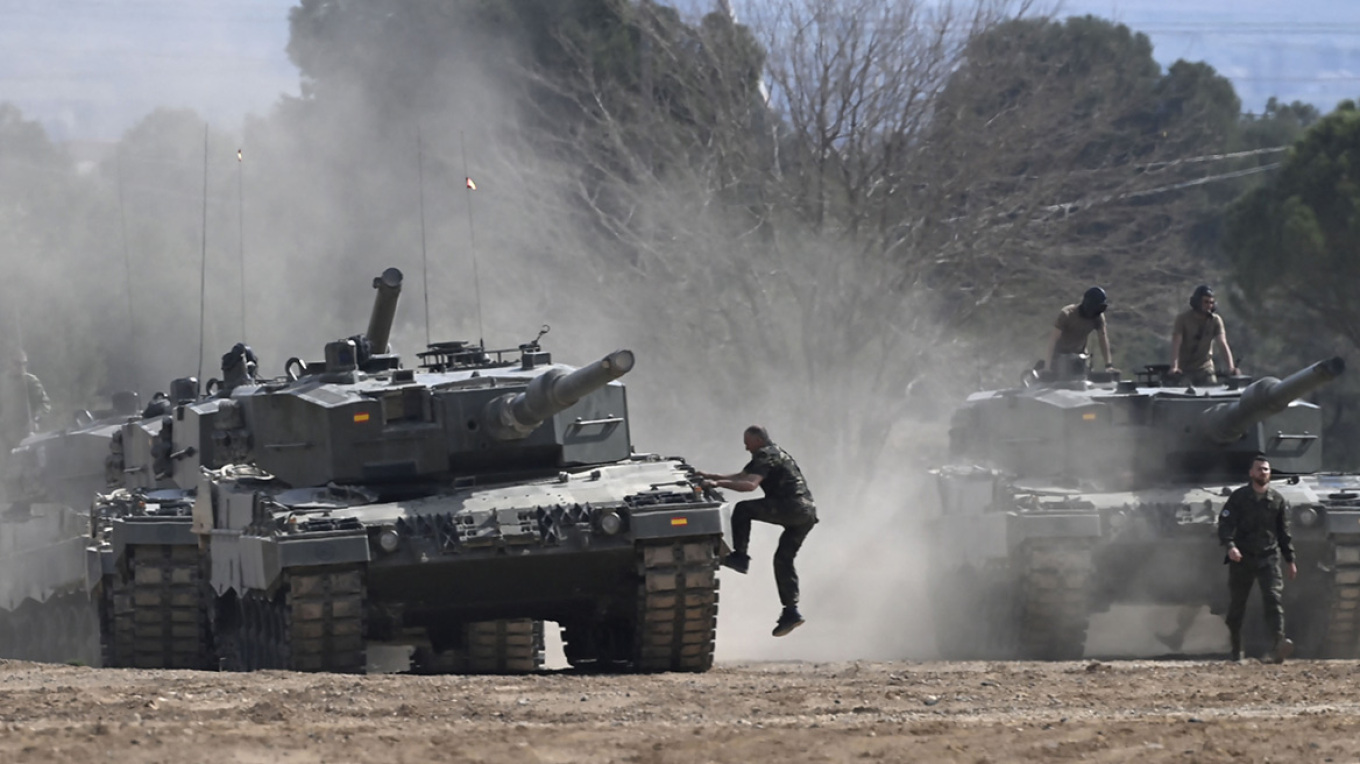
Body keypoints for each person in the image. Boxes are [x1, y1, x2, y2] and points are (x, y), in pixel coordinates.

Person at [697, 425, 818, 637]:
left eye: (748, 443)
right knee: (783, 560)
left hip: (791, 506)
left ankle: (740, 557)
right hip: (806, 514)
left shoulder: (764, 454)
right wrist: (711, 475)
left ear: (758, 440)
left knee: (743, 509)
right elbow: (742, 475)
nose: (746, 447)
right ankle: (791, 611)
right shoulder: (772, 453)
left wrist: (716, 483)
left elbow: (749, 485)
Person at [1217, 455, 1296, 663]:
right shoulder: (1239, 497)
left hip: (1268, 557)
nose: (1263, 472)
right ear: (1251, 473)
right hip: (1242, 557)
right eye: (1259, 469)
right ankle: (1236, 650)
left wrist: (1290, 559)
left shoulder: (1277, 499)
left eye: (1266, 469)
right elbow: (1225, 524)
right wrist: (1230, 546)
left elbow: (1283, 532)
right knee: (1237, 605)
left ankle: (1278, 645)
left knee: (1273, 599)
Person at [1170, 285, 1238, 385]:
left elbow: (1222, 344)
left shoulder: (1215, 320)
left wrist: (1231, 367)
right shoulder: (1183, 319)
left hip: (1205, 368)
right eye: (1206, 302)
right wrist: (1174, 367)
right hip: (1185, 369)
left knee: (1212, 387)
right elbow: (1176, 342)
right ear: (1197, 302)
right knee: (1184, 388)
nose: (1209, 305)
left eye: (1211, 302)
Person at [1047, 287, 1114, 374]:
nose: (1098, 312)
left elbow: (1103, 339)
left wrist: (1108, 365)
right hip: (1060, 358)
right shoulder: (1067, 314)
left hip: (1080, 358)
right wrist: (1047, 367)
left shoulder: (1098, 317)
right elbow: (1053, 341)